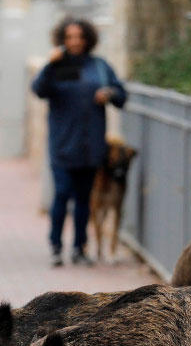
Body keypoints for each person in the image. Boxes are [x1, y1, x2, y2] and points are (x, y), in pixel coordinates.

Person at [31, 17, 127, 267]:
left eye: (79, 37)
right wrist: (49, 65)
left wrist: (109, 93)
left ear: (88, 39)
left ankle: (79, 247)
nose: (75, 42)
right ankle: (55, 245)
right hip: (62, 143)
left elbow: (121, 95)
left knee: (84, 198)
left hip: (91, 144)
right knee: (62, 194)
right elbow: (39, 89)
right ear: (63, 39)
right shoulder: (57, 66)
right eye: (70, 37)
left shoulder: (99, 66)